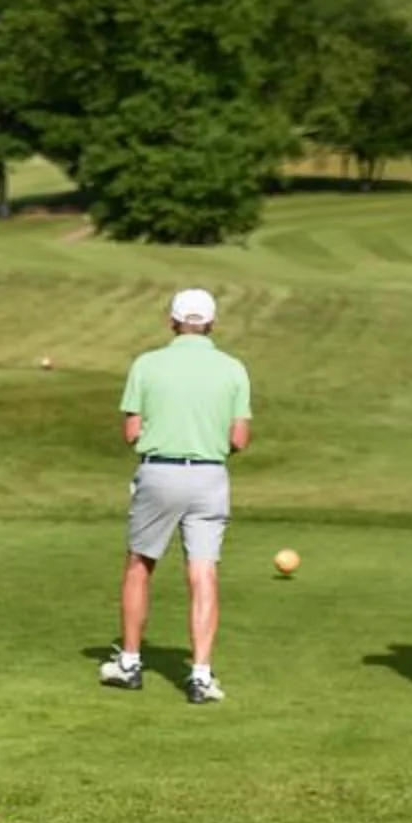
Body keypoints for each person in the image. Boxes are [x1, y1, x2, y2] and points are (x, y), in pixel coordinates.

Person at [102, 288, 253, 704]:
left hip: (160, 472)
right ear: (211, 323)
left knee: (140, 564)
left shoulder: (147, 364)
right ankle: (201, 676)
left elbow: (132, 433)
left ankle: (130, 664)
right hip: (210, 476)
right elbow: (239, 438)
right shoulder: (232, 368)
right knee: (203, 572)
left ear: (172, 321)